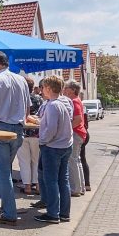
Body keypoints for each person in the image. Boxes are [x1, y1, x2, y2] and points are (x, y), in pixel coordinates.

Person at [0, 52, 31, 226]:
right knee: (3, 171)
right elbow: (27, 112)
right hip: (17, 129)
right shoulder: (22, 80)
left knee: (3, 172)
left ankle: (10, 213)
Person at [29, 76, 73, 224]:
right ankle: (64, 213)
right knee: (62, 180)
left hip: (53, 147)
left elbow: (51, 129)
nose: (42, 91)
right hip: (64, 145)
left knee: (51, 181)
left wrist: (43, 141)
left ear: (48, 88)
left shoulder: (53, 105)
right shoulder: (63, 102)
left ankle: (53, 214)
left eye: (43, 88)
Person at [16, 77, 43, 195]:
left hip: (23, 133)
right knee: (36, 160)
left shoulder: (19, 99)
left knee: (24, 161)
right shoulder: (39, 99)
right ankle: (37, 185)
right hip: (37, 134)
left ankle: (27, 186)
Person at [62, 80, 87, 196]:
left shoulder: (74, 101)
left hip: (76, 133)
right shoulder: (76, 100)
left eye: (66, 87)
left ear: (72, 90)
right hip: (80, 133)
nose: (64, 89)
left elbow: (77, 119)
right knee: (76, 160)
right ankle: (80, 187)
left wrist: (67, 128)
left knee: (72, 160)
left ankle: (76, 189)